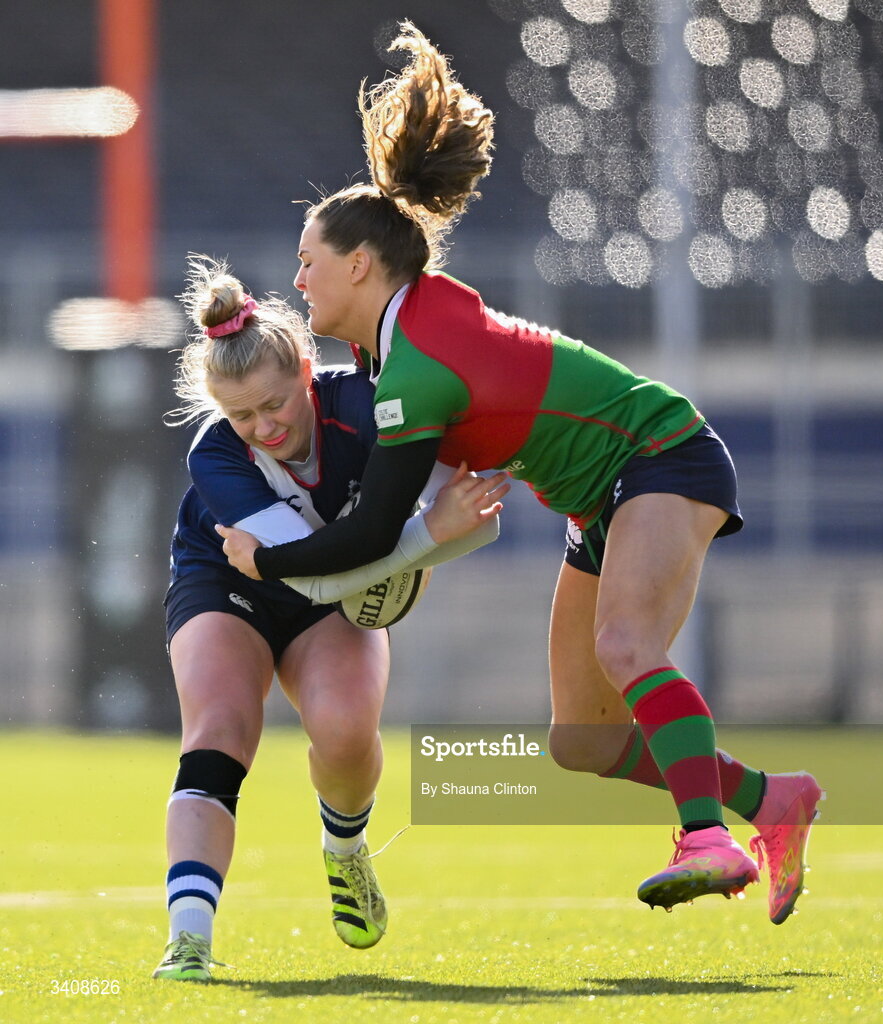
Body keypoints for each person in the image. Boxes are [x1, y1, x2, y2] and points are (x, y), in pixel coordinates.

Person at [218, 23, 822, 924]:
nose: (298, 281)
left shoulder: (412, 363)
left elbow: (374, 532)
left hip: (661, 455)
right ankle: (772, 800)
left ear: (357, 265)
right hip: (599, 499)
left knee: (626, 649)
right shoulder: (404, 338)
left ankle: (705, 836)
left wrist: (267, 565)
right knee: (580, 739)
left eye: (309, 264)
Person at [153, 256, 509, 981]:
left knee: (346, 735)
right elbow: (319, 570)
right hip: (230, 583)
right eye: (241, 415)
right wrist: (423, 540)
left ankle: (344, 851)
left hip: (333, 584)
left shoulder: (374, 407)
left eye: (275, 404)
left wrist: (436, 531)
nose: (262, 427)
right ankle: (188, 938)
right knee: (218, 733)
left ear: (307, 372)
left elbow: (478, 523)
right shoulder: (216, 456)